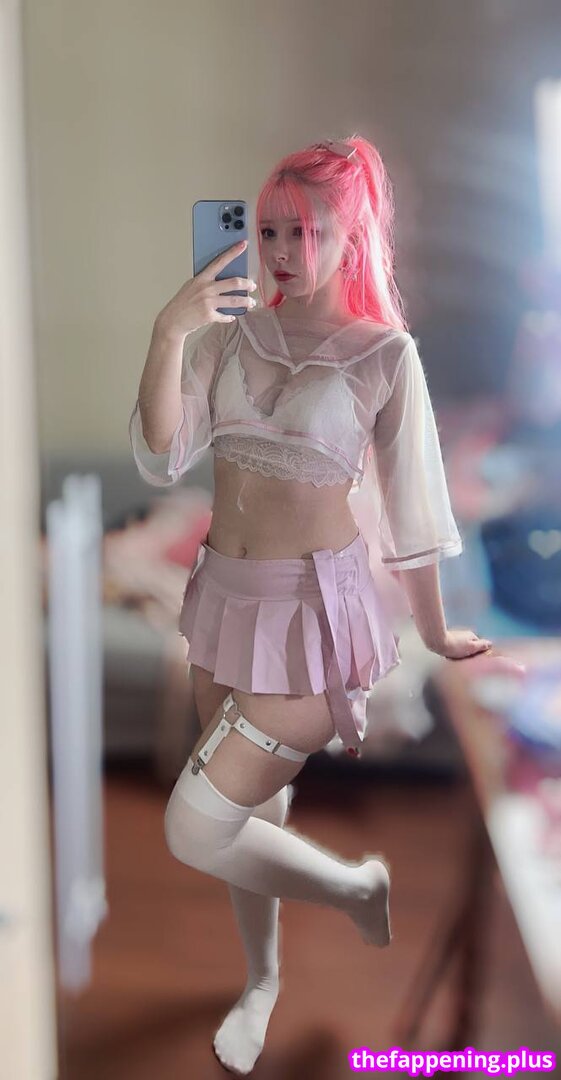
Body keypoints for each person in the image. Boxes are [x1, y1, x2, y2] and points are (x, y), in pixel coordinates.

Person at [129, 134, 492, 1075]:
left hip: (313, 616)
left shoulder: (386, 356)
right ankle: (261, 981)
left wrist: (432, 629)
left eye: (306, 230)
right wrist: (170, 331)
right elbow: (161, 455)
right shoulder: (228, 334)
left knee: (195, 824)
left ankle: (353, 887)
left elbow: (414, 510)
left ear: (351, 236)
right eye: (268, 230)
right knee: (255, 810)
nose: (282, 251)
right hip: (222, 597)